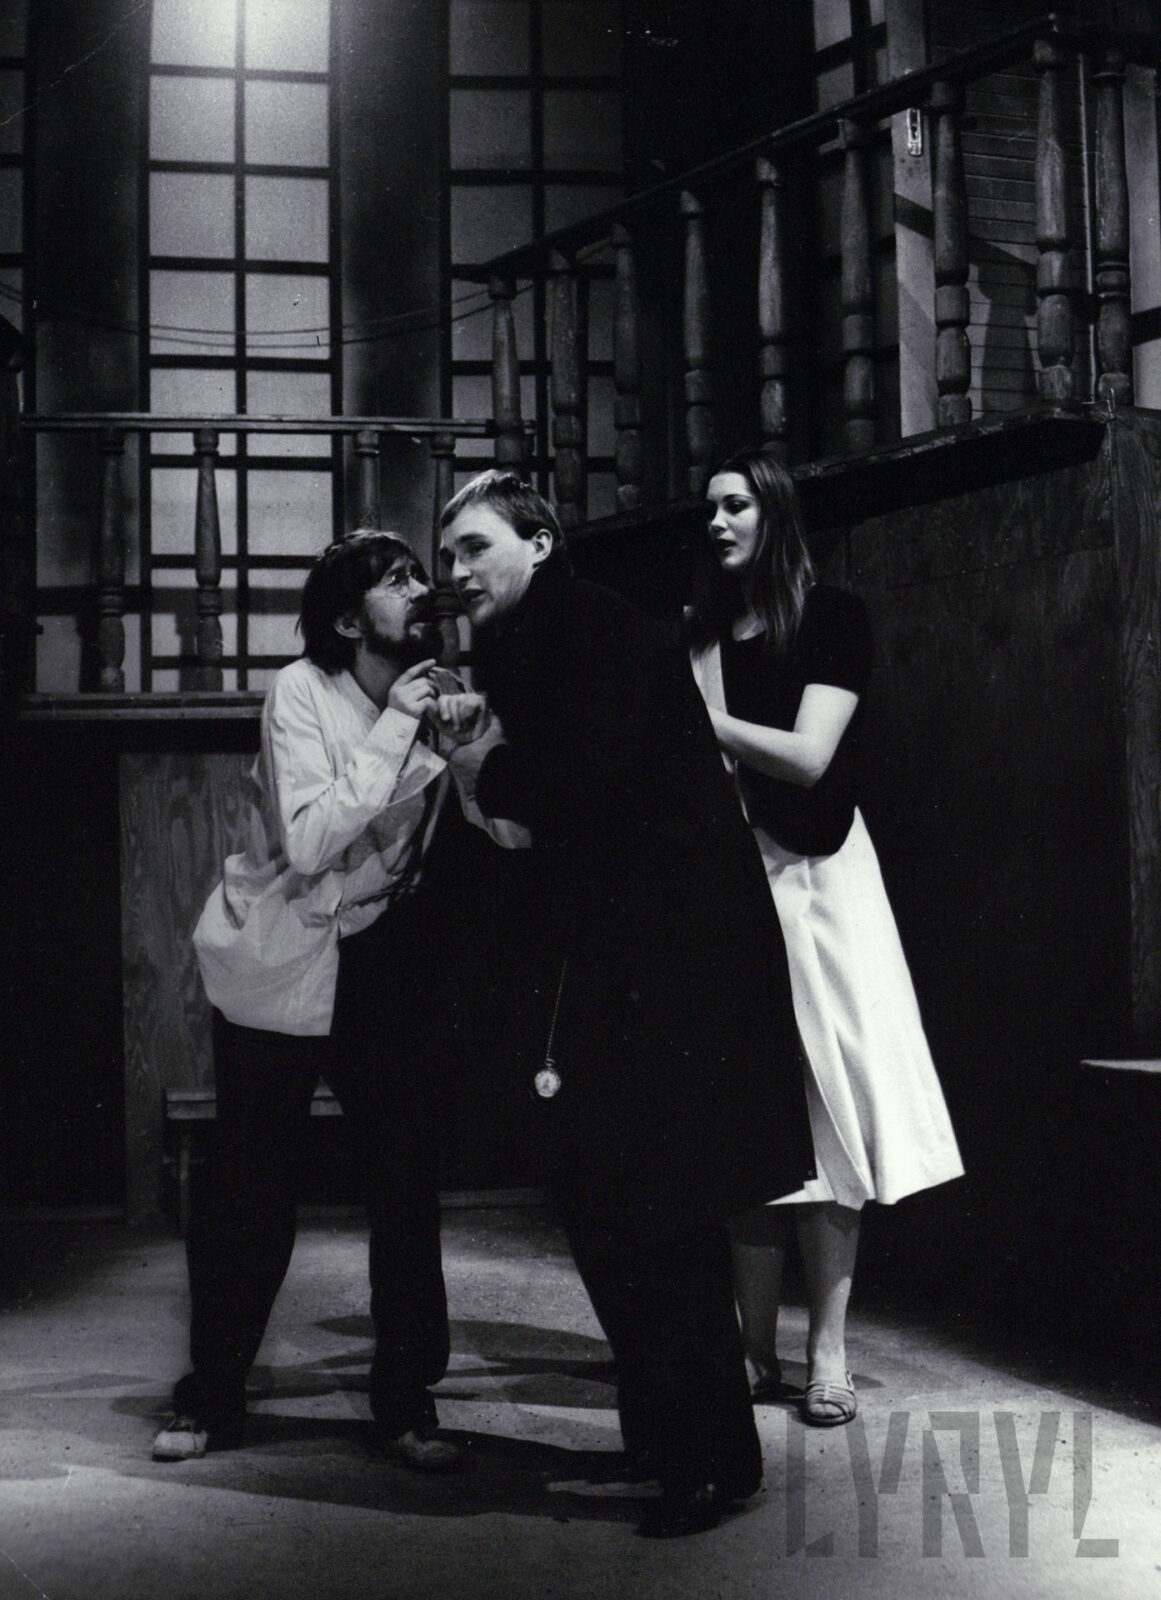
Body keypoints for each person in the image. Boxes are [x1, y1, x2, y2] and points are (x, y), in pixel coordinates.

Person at [438, 469, 815, 1538]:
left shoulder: (584, 629)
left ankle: (703, 1460)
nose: (456, 570)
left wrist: (480, 765)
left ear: (540, 542)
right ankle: (675, 1446)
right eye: (448, 553)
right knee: (621, 1208)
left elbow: (578, 788)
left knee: (650, 1212)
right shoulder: (537, 634)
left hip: (668, 962)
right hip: (632, 953)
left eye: (474, 547)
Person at [153, 530, 517, 1470]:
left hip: (383, 956)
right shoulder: (300, 692)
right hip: (284, 955)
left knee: (403, 1180)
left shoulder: (442, 695)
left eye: (420, 573)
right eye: (397, 580)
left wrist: (466, 750)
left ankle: (404, 1401)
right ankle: (212, 1394)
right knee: (250, 1187)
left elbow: (507, 835)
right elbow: (312, 841)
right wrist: (398, 728)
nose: (423, 588)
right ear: (351, 621)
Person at [688, 448, 964, 1428]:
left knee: (832, 1112)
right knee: (745, 1114)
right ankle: (751, 1349)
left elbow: (808, 758)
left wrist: (701, 724)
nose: (717, 521)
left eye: (735, 505)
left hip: (819, 878)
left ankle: (828, 1352)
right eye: (710, 507)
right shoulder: (702, 633)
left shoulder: (831, 616)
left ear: (774, 515)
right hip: (734, 883)